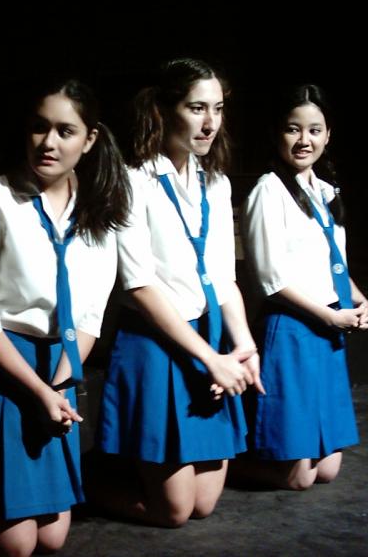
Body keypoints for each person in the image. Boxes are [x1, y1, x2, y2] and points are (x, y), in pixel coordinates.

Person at [0, 78, 131, 556]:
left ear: (90, 139)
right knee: (17, 544)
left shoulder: (98, 207)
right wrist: (38, 392)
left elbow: (90, 316)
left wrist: (58, 386)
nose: (48, 142)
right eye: (40, 128)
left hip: (57, 366)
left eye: (65, 131)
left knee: (52, 538)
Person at [95, 58, 262, 527]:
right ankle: (82, 488)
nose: (210, 122)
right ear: (165, 110)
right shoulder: (134, 180)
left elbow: (224, 277)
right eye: (196, 108)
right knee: (173, 512)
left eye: (218, 108)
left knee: (203, 505)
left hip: (208, 336)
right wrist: (211, 359)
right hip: (156, 342)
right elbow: (139, 285)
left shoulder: (216, 182)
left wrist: (243, 345)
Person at [238, 83, 368, 490]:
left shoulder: (324, 190)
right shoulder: (268, 191)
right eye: (293, 129)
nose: (304, 140)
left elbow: (328, 259)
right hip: (293, 329)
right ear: (276, 133)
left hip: (325, 330)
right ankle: (224, 468)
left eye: (314, 130)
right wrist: (330, 317)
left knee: (327, 469)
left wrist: (356, 295)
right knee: (299, 477)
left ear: (328, 135)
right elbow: (271, 281)